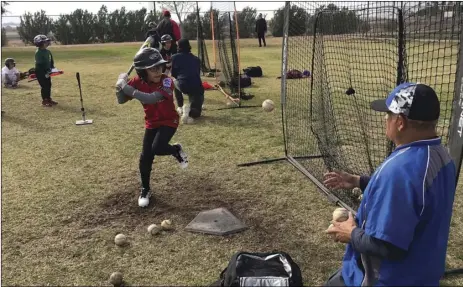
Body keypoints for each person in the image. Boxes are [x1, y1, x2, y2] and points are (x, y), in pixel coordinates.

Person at [322, 83, 457, 286]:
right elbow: (414, 199)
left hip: (387, 279)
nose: (385, 119)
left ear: (400, 122)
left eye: (388, 114)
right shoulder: (441, 156)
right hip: (421, 274)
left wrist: (350, 233)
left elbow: (387, 248)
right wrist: (359, 181)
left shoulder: (400, 170)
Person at [115, 47, 188, 208]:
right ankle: (145, 189)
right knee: (145, 156)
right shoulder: (135, 83)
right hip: (152, 122)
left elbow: (151, 99)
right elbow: (120, 100)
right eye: (152, 68)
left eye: (159, 66)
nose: (158, 71)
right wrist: (120, 85)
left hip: (169, 120)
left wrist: (126, 87)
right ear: (142, 71)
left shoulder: (166, 81)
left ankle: (175, 149)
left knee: (158, 147)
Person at [171, 39, 205, 121]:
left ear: (179, 47)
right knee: (196, 113)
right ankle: (188, 110)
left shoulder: (174, 57)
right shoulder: (196, 59)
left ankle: (180, 106)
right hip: (197, 87)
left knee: (174, 81)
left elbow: (174, 74)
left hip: (183, 84)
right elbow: (197, 73)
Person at [34, 34, 58, 107]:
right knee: (44, 86)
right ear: (39, 43)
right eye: (45, 42)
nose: (47, 43)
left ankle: (48, 98)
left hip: (48, 71)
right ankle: (44, 100)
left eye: (47, 42)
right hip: (40, 71)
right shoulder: (38, 52)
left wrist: (52, 69)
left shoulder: (48, 51)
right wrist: (46, 71)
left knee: (48, 85)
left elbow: (51, 61)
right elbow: (40, 64)